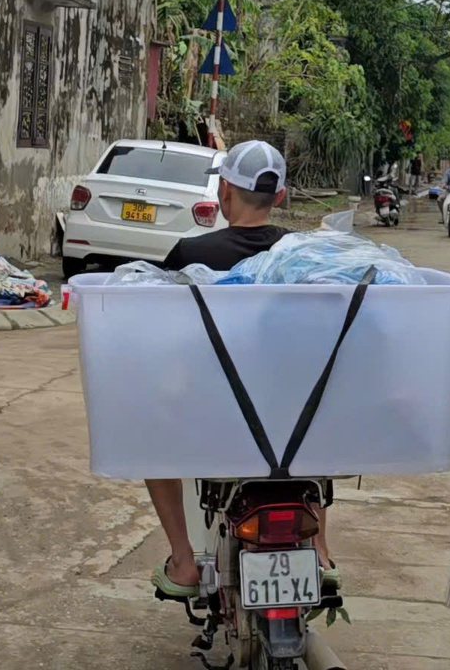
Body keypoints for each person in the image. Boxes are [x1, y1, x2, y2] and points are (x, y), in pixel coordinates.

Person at [147, 140, 340, 599]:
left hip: (210, 419)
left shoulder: (190, 253)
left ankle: (183, 562)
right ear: (279, 196)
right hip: (289, 423)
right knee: (319, 426)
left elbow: (159, 334)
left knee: (149, 443)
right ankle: (322, 551)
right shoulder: (305, 257)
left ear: (224, 190)